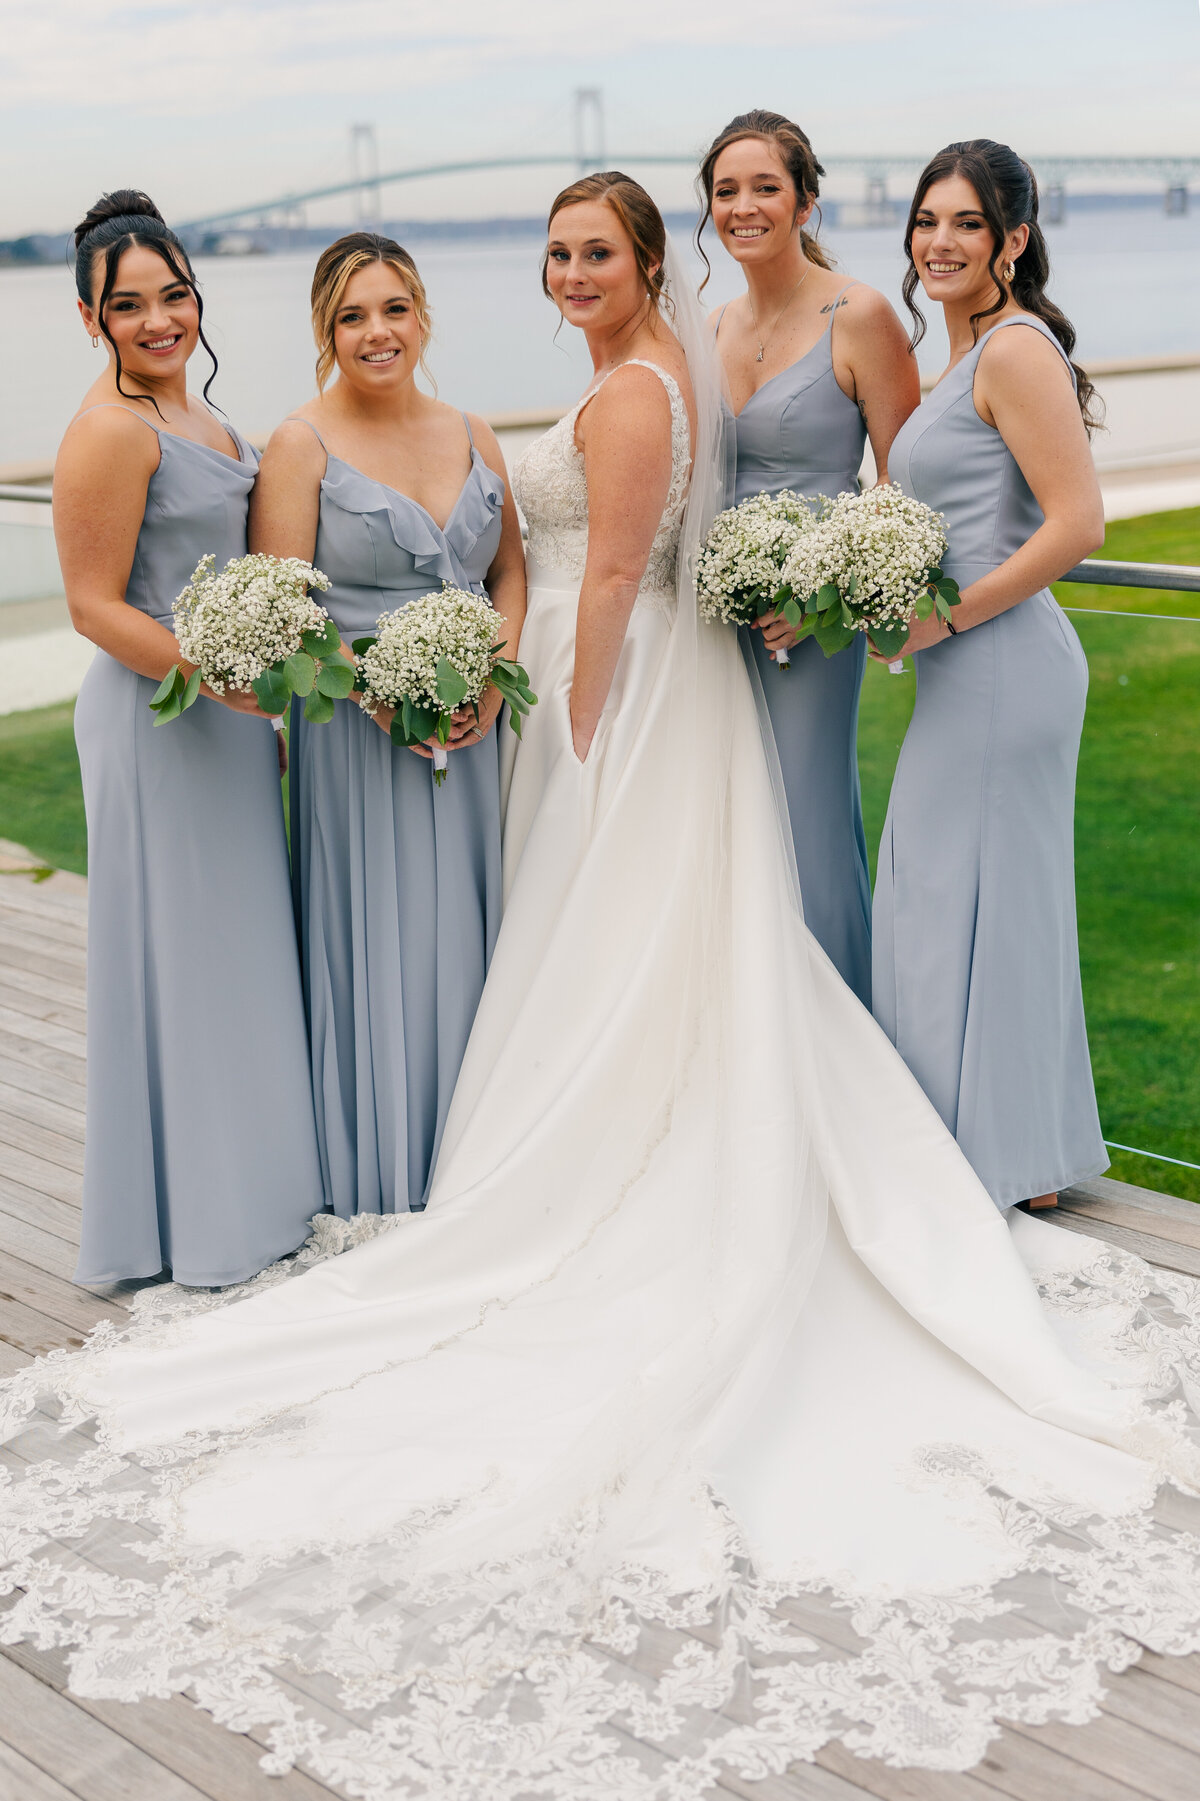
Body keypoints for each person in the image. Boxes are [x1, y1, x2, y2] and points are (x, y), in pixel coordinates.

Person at [5, 175, 1199, 1797]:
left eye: (590, 254)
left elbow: (606, 571)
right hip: (442, 715)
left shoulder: (628, 393)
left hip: (585, 702)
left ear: (642, 270)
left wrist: (559, 711)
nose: (565, 273)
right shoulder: (465, 402)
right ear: (101, 315)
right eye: (553, 253)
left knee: (612, 963)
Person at [55, 189, 323, 1287]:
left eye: (175, 294)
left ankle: (250, 1194)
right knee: (177, 956)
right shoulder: (111, 430)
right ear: (91, 319)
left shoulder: (203, 420)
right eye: (131, 306)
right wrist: (220, 679)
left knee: (235, 951)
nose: (161, 320)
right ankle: (188, 1224)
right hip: (155, 718)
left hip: (222, 715)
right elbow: (94, 606)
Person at [252, 233, 525, 1217]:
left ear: (422, 314)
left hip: (473, 735)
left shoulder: (474, 430)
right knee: (386, 953)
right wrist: (377, 695)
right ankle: (392, 1185)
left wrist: (493, 682)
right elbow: (289, 613)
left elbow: (511, 575)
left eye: (393, 310)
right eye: (352, 317)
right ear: (327, 331)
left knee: (480, 943)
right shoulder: (299, 444)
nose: (377, 333)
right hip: (360, 739)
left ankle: (484, 1169)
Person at [873, 140, 1108, 1212]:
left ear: (1013, 239)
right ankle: (994, 1148)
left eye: (967, 223)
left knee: (982, 900)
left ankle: (1010, 1160)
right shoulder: (966, 353)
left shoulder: (1014, 351)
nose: (941, 242)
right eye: (928, 221)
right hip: (969, 665)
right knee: (943, 895)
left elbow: (1077, 523)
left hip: (1007, 664)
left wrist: (945, 618)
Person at [701, 110, 919, 1002]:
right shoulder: (709, 326)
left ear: (806, 202)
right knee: (725, 828)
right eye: (725, 191)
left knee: (804, 818)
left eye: (765, 188)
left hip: (812, 628)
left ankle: (838, 1044)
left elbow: (905, 489)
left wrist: (825, 594)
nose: (744, 207)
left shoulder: (859, 314)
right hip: (718, 624)